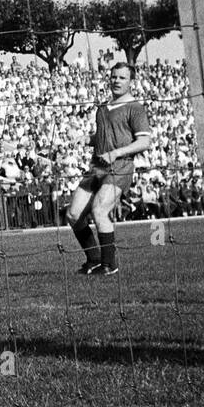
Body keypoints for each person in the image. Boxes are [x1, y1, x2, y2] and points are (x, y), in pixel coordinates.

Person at [67, 63, 151, 276]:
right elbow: (104, 137)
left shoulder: (135, 108)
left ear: (130, 81)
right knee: (73, 214)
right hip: (97, 167)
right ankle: (94, 260)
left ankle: (109, 264)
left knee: (100, 210)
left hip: (120, 168)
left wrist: (115, 153)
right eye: (114, 77)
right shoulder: (102, 107)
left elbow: (144, 142)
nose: (116, 81)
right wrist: (86, 139)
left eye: (122, 78)